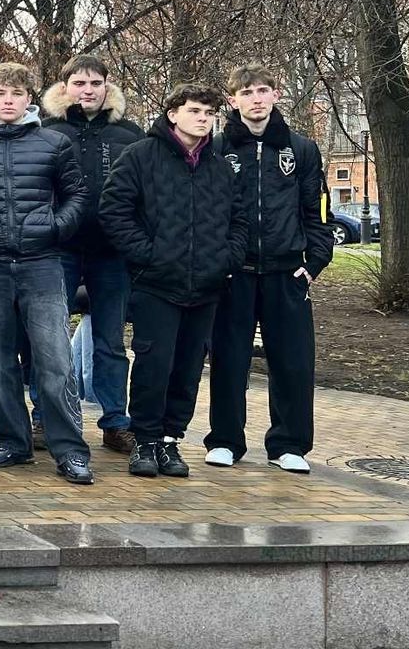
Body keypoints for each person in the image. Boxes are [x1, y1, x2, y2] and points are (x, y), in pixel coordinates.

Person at [0, 63, 94, 484]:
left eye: (16, 93)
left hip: (42, 263)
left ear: (30, 98)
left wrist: (55, 228)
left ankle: (70, 450)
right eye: (0, 93)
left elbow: (77, 195)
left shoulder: (54, 143)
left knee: (55, 362)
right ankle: (13, 441)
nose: (8, 100)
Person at [99, 82, 247, 478]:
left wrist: (225, 259)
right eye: (195, 111)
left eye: (209, 113)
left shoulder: (219, 166)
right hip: (157, 284)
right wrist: (149, 256)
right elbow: (114, 211)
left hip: (206, 285)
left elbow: (239, 220)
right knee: (154, 364)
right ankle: (145, 440)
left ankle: (169, 440)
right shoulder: (140, 156)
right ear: (173, 114)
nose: (203, 119)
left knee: (187, 368)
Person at [205, 64, 333, 474]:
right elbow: (208, 212)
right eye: (246, 92)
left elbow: (317, 213)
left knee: (293, 361)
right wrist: (218, 262)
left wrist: (313, 264)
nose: (256, 98)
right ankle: (225, 440)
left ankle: (289, 444)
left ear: (276, 94)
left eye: (263, 90)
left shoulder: (302, 149)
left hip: (287, 272)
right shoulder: (217, 148)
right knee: (229, 359)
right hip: (235, 273)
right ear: (233, 100)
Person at [42, 54, 143, 454]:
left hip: (111, 252)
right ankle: (45, 417)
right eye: (79, 83)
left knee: (110, 342)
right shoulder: (47, 131)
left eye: (95, 83)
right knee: (50, 339)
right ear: (65, 86)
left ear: (107, 86)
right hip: (59, 249)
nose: (87, 91)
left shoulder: (129, 135)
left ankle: (115, 421)